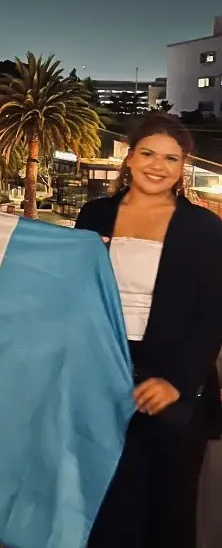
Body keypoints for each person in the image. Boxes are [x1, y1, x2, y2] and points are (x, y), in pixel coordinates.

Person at [76, 113, 222, 548]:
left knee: (169, 512)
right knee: (105, 507)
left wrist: (178, 382)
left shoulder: (204, 227)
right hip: (103, 377)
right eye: (148, 154)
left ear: (183, 166)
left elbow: (213, 311)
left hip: (172, 384)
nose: (158, 166)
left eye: (171, 159)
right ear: (129, 156)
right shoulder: (95, 214)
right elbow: (71, 292)